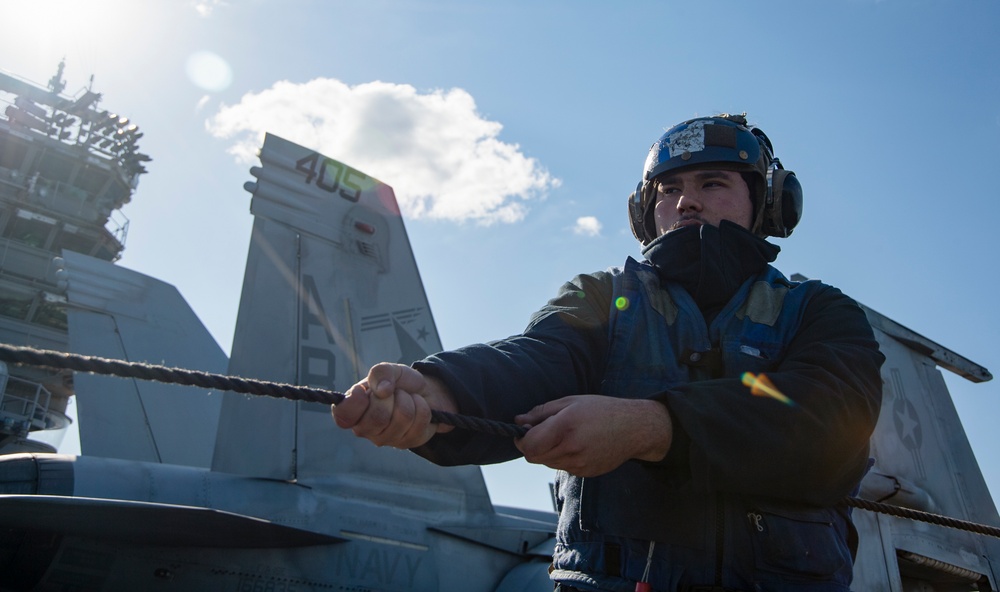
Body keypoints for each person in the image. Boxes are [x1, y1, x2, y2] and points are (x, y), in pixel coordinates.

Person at [332, 113, 885, 591]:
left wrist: (656, 426)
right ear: (645, 210)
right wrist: (440, 391)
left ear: (768, 203)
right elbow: (538, 360)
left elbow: (829, 421)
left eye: (713, 183)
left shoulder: (819, 312)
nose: (686, 200)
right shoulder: (602, 296)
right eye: (667, 190)